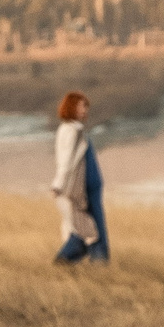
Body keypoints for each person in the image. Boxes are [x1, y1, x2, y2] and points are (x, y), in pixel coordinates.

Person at [51, 90, 109, 265]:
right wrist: (59, 183)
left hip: (88, 185)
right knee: (91, 225)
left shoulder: (73, 129)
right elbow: (66, 160)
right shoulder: (72, 131)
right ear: (72, 107)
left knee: (85, 224)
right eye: (82, 106)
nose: (85, 110)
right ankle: (91, 260)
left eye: (86, 107)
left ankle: (76, 257)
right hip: (83, 186)